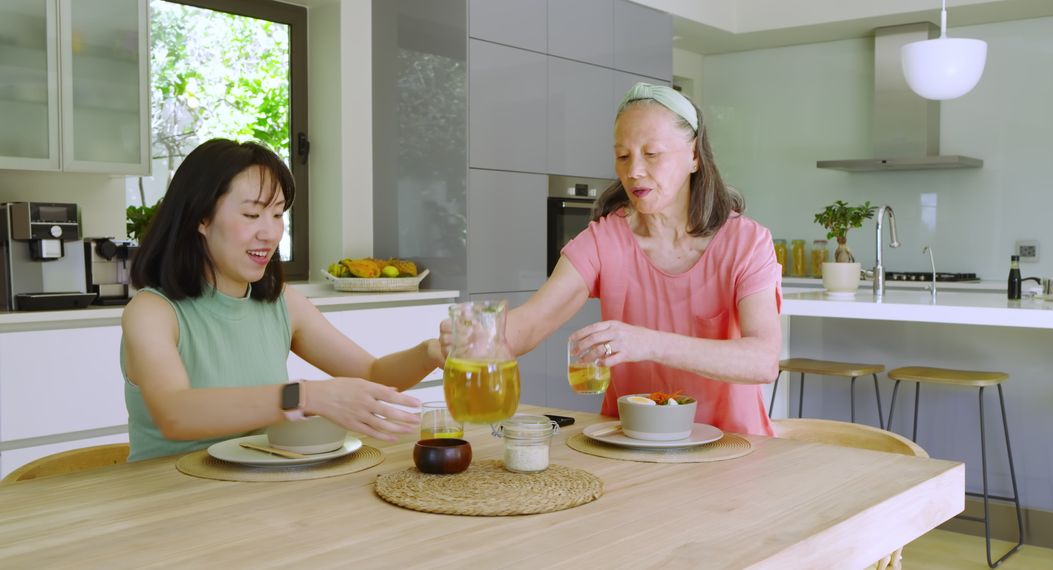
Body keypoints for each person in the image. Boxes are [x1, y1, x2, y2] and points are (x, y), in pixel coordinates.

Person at [444, 83, 781, 436]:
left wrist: (647, 342)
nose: (633, 170)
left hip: (734, 451)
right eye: (623, 156)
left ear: (694, 155)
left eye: (652, 154)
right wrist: (471, 338)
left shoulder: (747, 243)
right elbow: (531, 323)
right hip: (631, 446)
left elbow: (762, 360)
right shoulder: (604, 240)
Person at [122, 139, 441, 461]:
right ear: (200, 218)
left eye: (277, 214)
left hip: (256, 490)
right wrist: (302, 396)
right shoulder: (153, 311)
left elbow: (371, 374)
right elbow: (176, 413)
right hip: (168, 497)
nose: (270, 233)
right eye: (252, 214)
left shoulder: (281, 302)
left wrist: (429, 353)